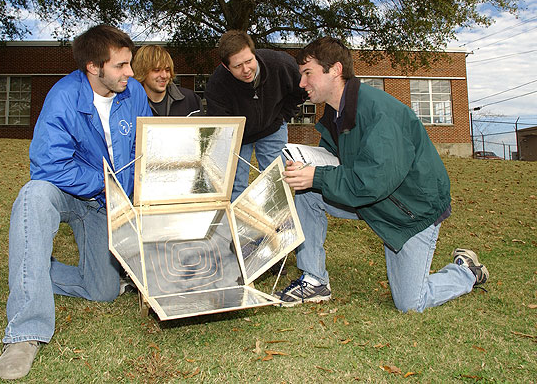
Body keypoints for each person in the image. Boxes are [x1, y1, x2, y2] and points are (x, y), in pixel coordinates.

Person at [276, 37, 488, 312]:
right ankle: (314, 279)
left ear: (335, 70)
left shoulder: (378, 112)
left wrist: (315, 176)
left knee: (411, 303)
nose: (302, 84)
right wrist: (306, 168)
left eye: (307, 74)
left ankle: (466, 272)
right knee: (308, 190)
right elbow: (336, 163)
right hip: (374, 200)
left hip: (411, 212)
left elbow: (373, 181)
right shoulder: (336, 112)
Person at [0, 25, 152, 380]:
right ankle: (24, 334)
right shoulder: (63, 96)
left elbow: (147, 146)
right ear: (94, 67)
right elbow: (47, 165)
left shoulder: (134, 92)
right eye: (121, 66)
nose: (130, 72)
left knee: (104, 292)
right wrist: (105, 184)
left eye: (130, 63)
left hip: (106, 204)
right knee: (33, 195)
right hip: (72, 193)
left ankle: (28, 272)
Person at [205, 30, 305, 201]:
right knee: (234, 184)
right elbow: (221, 127)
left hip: (272, 127)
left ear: (254, 53)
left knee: (276, 180)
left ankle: (277, 225)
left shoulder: (280, 64)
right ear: (226, 66)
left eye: (249, 61)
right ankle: (236, 224)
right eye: (237, 66)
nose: (246, 70)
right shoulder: (217, 85)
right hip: (238, 136)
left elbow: (302, 90)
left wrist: (283, 115)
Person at [132, 44, 203, 116]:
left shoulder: (190, 100)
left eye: (167, 70)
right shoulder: (130, 104)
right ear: (142, 71)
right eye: (157, 70)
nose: (164, 75)